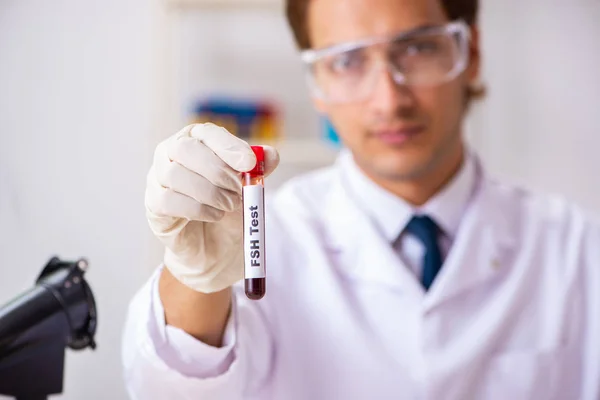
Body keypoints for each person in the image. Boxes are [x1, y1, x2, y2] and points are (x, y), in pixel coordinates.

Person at [122, 0, 600, 398]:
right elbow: (172, 388)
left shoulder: (576, 249)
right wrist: (196, 281)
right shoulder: (270, 240)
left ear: (469, 52)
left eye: (416, 48)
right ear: (317, 84)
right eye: (347, 60)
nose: (389, 99)